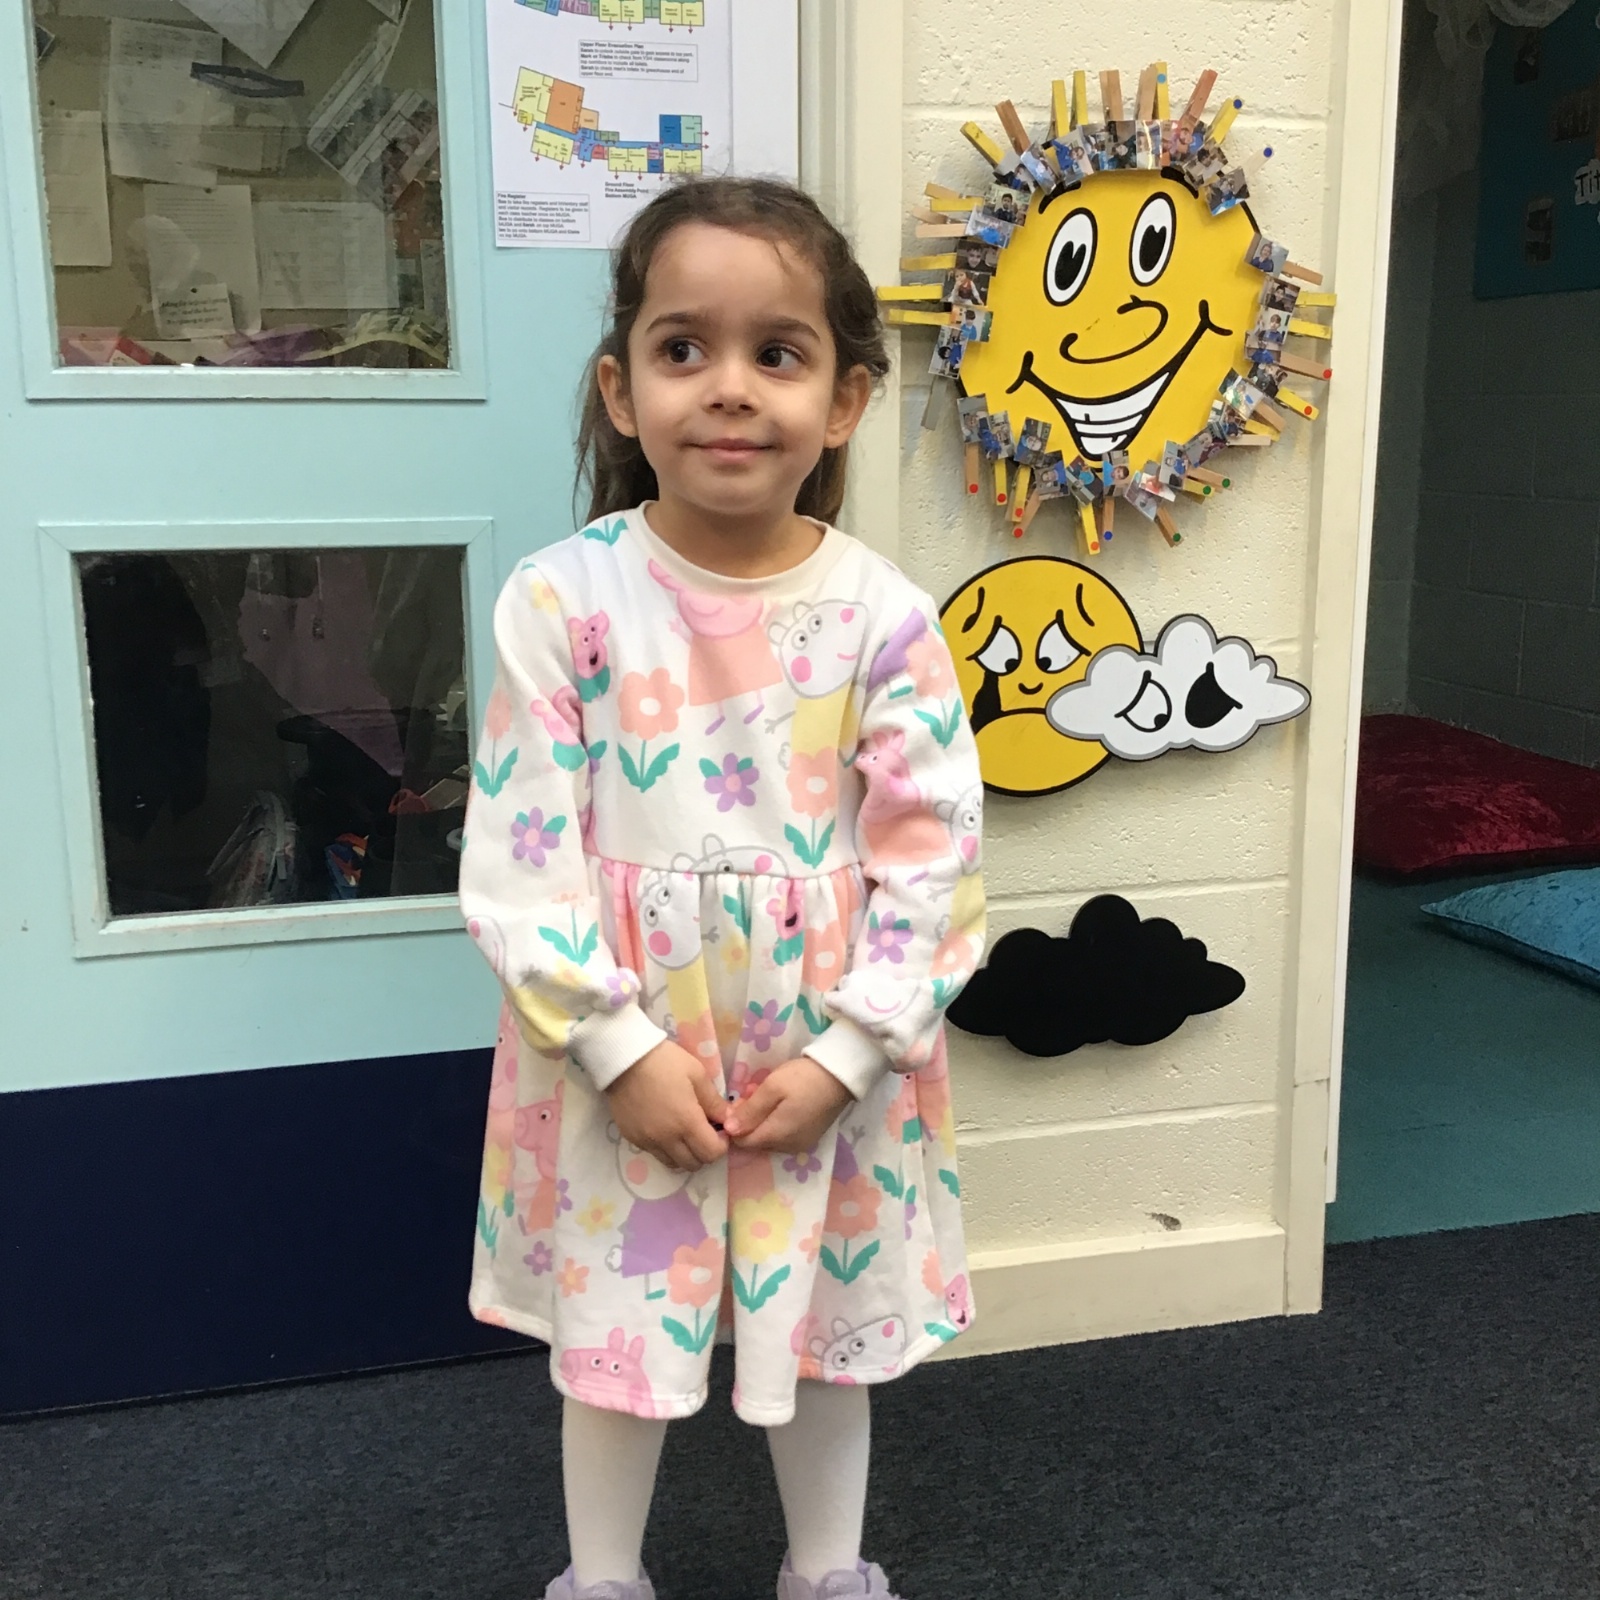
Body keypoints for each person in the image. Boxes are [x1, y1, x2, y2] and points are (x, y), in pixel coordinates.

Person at [459, 176, 987, 1600]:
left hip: (825, 1057)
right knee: (614, 1343)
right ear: (620, 390)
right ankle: (602, 1579)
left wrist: (852, 1051)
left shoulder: (884, 616)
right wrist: (616, 1049)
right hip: (623, 1051)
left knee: (821, 1336)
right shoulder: (561, 601)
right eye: (683, 347)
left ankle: (829, 1572)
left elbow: (934, 859)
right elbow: (520, 857)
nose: (731, 387)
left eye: (779, 351)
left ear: (847, 399)